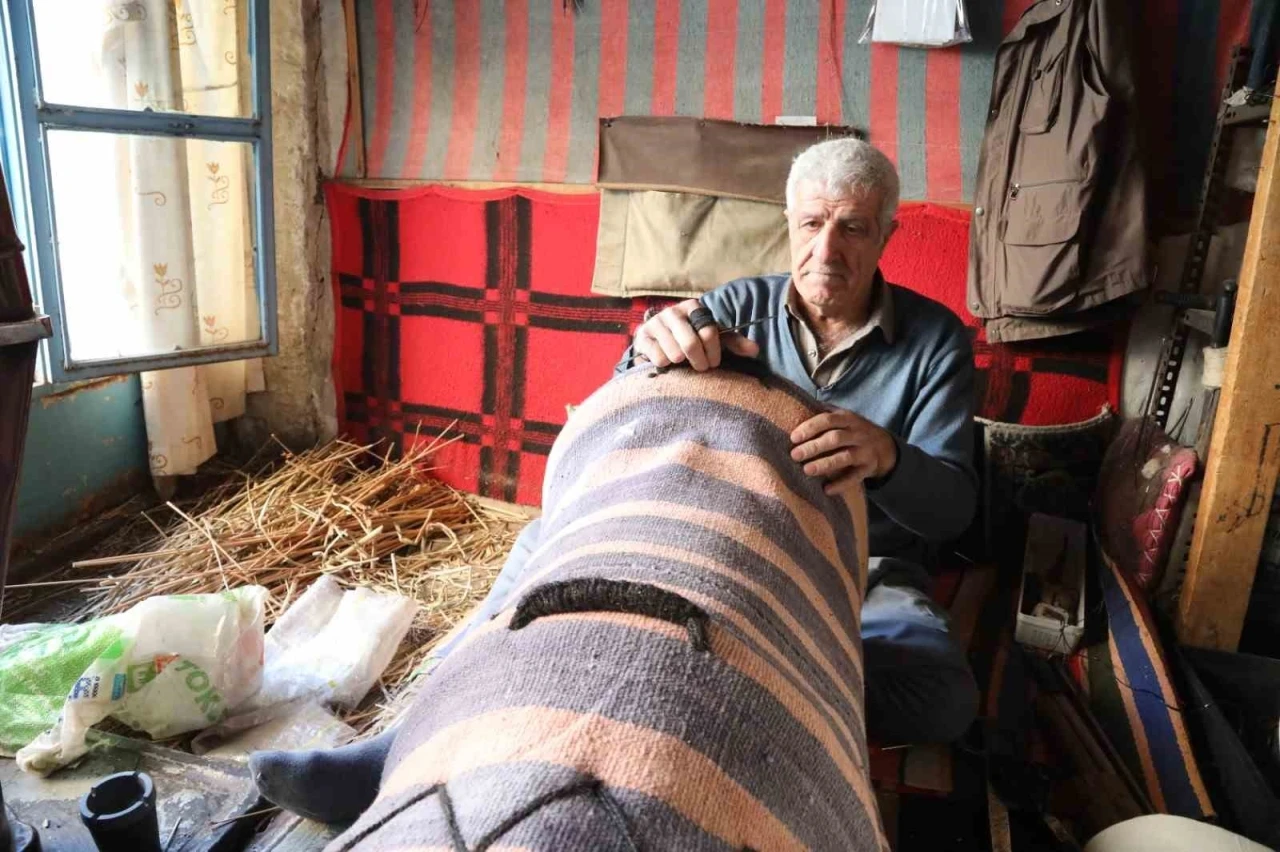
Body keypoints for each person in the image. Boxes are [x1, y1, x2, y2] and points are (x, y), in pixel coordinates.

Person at [250, 137, 979, 824]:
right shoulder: (734, 309)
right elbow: (633, 412)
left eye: (853, 228)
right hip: (703, 538)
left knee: (943, 698)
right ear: (789, 223)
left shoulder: (936, 342)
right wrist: (642, 355)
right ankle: (393, 752)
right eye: (813, 223)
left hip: (855, 570)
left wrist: (889, 458)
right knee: (542, 552)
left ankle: (760, 684)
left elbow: (952, 511)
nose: (826, 250)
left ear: (887, 235)